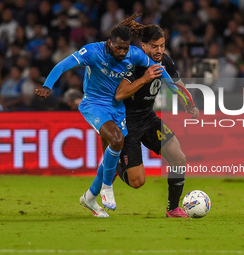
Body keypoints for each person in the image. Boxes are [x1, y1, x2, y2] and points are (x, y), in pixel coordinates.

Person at [35, 24, 178, 217]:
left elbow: (158, 69)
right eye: (118, 47)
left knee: (113, 151)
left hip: (117, 107)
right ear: (109, 43)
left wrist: (178, 92)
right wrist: (47, 85)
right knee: (117, 140)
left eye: (125, 48)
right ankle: (107, 187)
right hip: (94, 104)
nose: (122, 52)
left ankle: (90, 197)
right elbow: (63, 65)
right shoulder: (92, 52)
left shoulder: (133, 54)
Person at [114, 16, 199, 217]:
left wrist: (189, 104)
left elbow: (177, 85)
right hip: (127, 123)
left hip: (148, 118)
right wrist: (144, 78)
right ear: (143, 46)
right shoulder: (133, 64)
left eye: (162, 45)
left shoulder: (166, 61)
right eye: (154, 46)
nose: (159, 50)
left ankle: (173, 208)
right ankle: (114, 163)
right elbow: (119, 94)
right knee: (137, 182)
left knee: (179, 158)